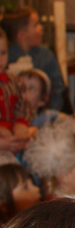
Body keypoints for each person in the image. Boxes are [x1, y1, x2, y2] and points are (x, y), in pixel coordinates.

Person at [2, 6, 67, 112]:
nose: (41, 27)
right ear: (22, 35)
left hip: (46, 112)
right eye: (36, 25)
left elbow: (58, 89)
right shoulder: (6, 58)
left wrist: (50, 112)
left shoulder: (46, 56)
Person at [0, 27, 35, 157]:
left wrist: (21, 123)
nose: (0, 58)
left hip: (14, 138)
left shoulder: (14, 82)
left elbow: (24, 105)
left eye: (3, 53)